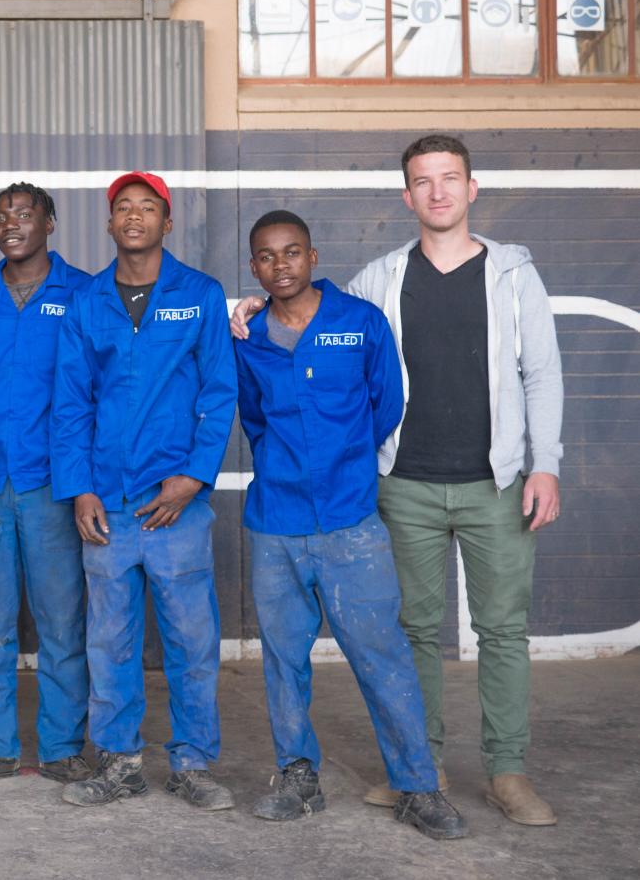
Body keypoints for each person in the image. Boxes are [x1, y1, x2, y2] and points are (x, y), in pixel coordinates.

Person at [231, 135, 564, 825]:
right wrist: (245, 309)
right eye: (423, 180)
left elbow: (397, 395)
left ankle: (505, 772)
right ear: (406, 195)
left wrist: (546, 462)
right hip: (395, 488)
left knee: (497, 629)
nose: (437, 191)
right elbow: (262, 411)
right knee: (409, 633)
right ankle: (417, 769)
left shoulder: (509, 274)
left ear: (471, 187)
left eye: (450, 178)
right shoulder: (375, 281)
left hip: (488, 483)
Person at [234, 210, 467, 840]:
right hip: (276, 522)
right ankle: (297, 776)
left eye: (290, 253)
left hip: (350, 524)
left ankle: (417, 787)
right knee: (284, 659)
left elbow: (385, 405)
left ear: (313, 257)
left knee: (382, 656)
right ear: (253, 266)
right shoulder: (247, 338)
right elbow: (253, 419)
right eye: (265, 256)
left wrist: (341, 467)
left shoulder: (360, 323)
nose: (278, 266)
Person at [49, 172, 236, 812]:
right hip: (108, 505)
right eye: (123, 208)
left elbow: (219, 391)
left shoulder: (199, 295)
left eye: (147, 207)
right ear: (109, 223)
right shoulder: (88, 303)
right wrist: (78, 490)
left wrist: (193, 476)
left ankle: (191, 763)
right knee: (110, 641)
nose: (134, 217)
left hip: (175, 504)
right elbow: (70, 404)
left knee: (191, 640)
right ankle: (121, 762)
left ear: (167, 221)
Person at [0, 184, 93, 790]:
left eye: (25, 214)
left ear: (50, 224)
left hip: (55, 487)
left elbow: (99, 389)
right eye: (1, 215)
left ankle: (60, 748)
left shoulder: (83, 293)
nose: (12, 223)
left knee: (62, 622)